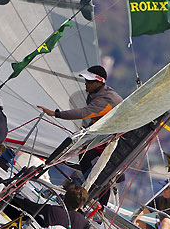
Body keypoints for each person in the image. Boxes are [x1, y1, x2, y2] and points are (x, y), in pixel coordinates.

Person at [38, 65, 122, 204]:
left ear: (99, 82)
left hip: (115, 142)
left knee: (100, 174)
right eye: (86, 81)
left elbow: (85, 113)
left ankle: (99, 204)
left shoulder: (107, 98)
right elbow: (97, 118)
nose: (86, 84)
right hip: (103, 137)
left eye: (89, 81)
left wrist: (56, 114)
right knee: (85, 157)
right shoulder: (97, 93)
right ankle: (91, 192)